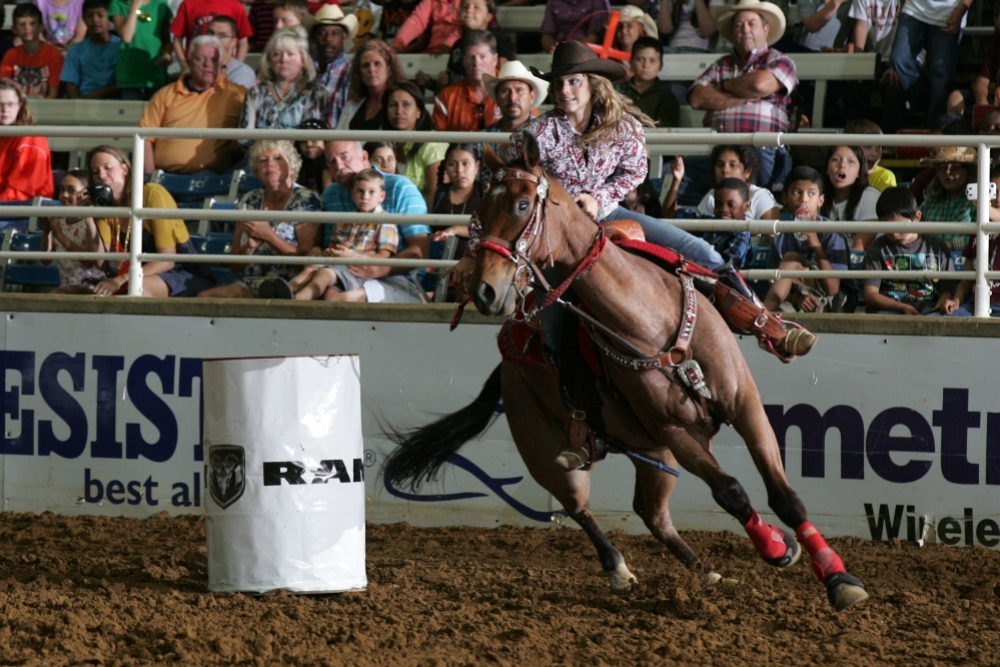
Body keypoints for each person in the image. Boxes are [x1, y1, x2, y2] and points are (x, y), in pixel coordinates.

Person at [454, 41, 815, 359]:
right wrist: (474, 250)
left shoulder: (623, 126)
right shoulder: (534, 135)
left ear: (593, 83)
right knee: (554, 320)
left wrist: (598, 197)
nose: (565, 90)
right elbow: (496, 198)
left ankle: (770, 326)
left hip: (611, 213)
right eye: (559, 82)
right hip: (559, 238)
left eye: (574, 80)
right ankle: (576, 407)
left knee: (705, 255)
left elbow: (634, 172)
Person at [688, 0, 797, 189]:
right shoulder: (722, 64)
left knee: (753, 156)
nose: (745, 29)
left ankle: (750, 209)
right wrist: (743, 96)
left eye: (751, 23)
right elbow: (697, 98)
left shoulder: (779, 60)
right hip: (720, 148)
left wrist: (722, 86)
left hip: (763, 146)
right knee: (676, 171)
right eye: (739, 25)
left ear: (766, 29)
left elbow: (759, 84)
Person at [83, 145, 216, 297]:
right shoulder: (105, 205)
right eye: (95, 172)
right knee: (71, 292)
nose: (101, 175)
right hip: (134, 276)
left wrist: (120, 280)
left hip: (184, 273)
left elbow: (167, 260)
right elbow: (102, 263)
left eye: (108, 168)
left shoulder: (152, 193)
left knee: (138, 288)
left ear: (125, 170)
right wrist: (88, 217)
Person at [273, 169, 422, 302]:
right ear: (352, 193)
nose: (365, 197)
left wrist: (353, 257)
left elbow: (384, 256)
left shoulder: (385, 221)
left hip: (355, 269)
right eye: (360, 191)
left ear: (382, 196)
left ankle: (295, 301)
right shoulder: (346, 219)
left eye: (371, 192)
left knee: (324, 273)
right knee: (311, 268)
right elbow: (335, 244)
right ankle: (284, 291)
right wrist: (329, 252)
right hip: (338, 263)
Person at [197, 140, 322, 298]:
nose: (269, 164)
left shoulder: (306, 199)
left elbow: (306, 260)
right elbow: (234, 265)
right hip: (250, 284)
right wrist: (249, 247)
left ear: (292, 166)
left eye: (278, 158)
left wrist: (269, 236)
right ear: (256, 170)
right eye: (263, 160)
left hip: (289, 286)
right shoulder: (250, 200)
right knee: (204, 298)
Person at [322, 140, 433, 290]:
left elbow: (421, 248)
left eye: (345, 157)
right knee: (322, 288)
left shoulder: (401, 187)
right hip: (343, 273)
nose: (339, 166)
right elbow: (330, 244)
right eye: (331, 161)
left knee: (342, 298)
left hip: (398, 278)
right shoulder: (331, 194)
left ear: (364, 156)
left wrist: (381, 269)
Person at [139, 35, 247, 175]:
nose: (207, 64)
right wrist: (150, 177)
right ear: (189, 61)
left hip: (210, 179)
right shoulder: (165, 94)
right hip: (163, 177)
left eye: (213, 59)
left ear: (220, 63)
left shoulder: (236, 94)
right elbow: (144, 138)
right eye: (200, 58)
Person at [763, 166, 849, 312]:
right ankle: (765, 316)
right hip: (794, 298)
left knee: (791, 258)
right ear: (785, 198)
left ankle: (762, 315)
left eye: (811, 193)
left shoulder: (832, 232)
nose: (803, 199)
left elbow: (832, 289)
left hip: (828, 301)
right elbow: (775, 283)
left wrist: (816, 243)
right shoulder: (781, 234)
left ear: (820, 200)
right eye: (797, 192)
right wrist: (796, 298)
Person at [863, 187, 961, 315]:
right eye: (887, 227)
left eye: (900, 227)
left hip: (929, 307)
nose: (895, 235)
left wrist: (937, 309)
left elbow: (946, 290)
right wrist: (902, 307)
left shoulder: (936, 246)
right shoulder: (878, 248)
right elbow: (870, 294)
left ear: (917, 217)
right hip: (888, 308)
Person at [239, 27, 331, 150]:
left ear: (303, 59)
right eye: (276, 54)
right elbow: (243, 138)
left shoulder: (317, 93)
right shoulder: (256, 93)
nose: (283, 59)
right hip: (260, 159)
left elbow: (315, 141)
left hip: (302, 162)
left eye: (290, 54)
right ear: (269, 60)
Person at [890, 0, 968, 127]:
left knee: (942, 79)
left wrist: (961, 10)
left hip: (949, 10)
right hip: (914, 7)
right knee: (899, 60)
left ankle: (933, 131)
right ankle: (926, 103)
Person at [665, 145, 780, 220]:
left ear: (747, 172)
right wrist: (677, 180)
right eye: (720, 165)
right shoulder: (711, 196)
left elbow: (773, 238)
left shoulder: (759, 196)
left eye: (733, 165)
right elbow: (669, 217)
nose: (725, 170)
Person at [385, 81, 447, 209]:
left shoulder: (431, 144)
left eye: (406, 105)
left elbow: (435, 196)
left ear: (419, 111)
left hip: (420, 219)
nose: (399, 111)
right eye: (393, 105)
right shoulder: (381, 142)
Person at [43, 171, 106, 293]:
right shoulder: (59, 223)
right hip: (66, 286)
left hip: (92, 285)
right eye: (62, 190)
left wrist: (59, 233)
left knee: (54, 295)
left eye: (71, 190)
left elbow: (88, 262)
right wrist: (47, 229)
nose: (64, 195)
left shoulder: (92, 222)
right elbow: (46, 260)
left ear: (85, 194)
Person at [433, 31, 501, 131]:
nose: (476, 63)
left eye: (483, 57)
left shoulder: (516, 93)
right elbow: (437, 144)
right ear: (464, 61)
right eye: (470, 57)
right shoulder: (446, 98)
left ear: (495, 59)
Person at [0, 79, 53, 202]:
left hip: (21, 212)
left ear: (20, 105)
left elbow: (21, 193)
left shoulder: (31, 138)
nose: (5, 110)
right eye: (0, 104)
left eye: (10, 104)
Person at [109, 0, 172, 101]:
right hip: (130, 75)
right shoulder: (118, 3)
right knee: (131, 115)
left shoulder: (160, 3)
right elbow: (126, 36)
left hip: (154, 73)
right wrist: (135, 5)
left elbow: (166, 39)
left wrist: (167, 54)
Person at [336, 39, 406, 130]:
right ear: (359, 72)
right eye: (366, 65)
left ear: (389, 69)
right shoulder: (351, 106)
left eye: (377, 64)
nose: (371, 70)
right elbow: (337, 139)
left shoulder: (399, 106)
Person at [0, 4, 64, 99]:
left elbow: (54, 93)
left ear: (41, 27)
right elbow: (3, 85)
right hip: (17, 108)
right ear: (14, 29)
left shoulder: (54, 55)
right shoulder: (11, 55)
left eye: (32, 23)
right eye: (22, 24)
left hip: (46, 108)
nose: (27, 28)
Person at [918, 146, 975, 252]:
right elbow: (914, 226)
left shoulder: (978, 202)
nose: (948, 171)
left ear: (969, 170)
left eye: (956, 166)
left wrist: (948, 245)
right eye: (943, 166)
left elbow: (981, 238)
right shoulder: (931, 201)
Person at [614, 36, 679, 128]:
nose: (646, 65)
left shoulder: (666, 97)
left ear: (661, 65)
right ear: (631, 62)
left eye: (652, 61)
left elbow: (666, 130)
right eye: (640, 59)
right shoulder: (617, 91)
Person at [61, 0, 120, 100]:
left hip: (115, 101)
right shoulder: (76, 50)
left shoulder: (120, 47)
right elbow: (71, 84)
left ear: (109, 18)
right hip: (84, 101)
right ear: (83, 19)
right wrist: (77, 103)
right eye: (90, 16)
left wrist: (100, 94)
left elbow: (123, 83)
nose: (95, 20)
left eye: (100, 15)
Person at [170, 0, 252, 72]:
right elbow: (177, 38)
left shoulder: (236, 6)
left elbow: (243, 41)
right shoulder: (188, 4)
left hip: (225, 67)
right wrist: (184, 67)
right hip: (196, 68)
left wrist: (236, 68)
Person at [312, 4, 357, 128]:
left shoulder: (354, 73)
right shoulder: (305, 73)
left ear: (344, 37)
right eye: (322, 33)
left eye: (335, 33)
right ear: (314, 38)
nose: (328, 39)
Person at [482, 60, 548, 135]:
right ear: (497, 97)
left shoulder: (546, 135)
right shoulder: (482, 138)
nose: (512, 98)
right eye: (505, 91)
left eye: (519, 90)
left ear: (531, 97)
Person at [432, 143, 483, 238]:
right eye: (452, 164)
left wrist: (455, 230)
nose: (459, 170)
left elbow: (489, 230)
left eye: (466, 163)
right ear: (446, 168)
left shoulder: (484, 192)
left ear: (477, 167)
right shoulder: (440, 193)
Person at [820, 146, 880, 224]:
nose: (842, 165)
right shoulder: (818, 197)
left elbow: (862, 237)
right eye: (836, 160)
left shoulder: (870, 197)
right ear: (827, 169)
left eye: (851, 161)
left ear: (859, 171)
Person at [844, 119, 896, 193]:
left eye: (879, 147)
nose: (874, 153)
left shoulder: (884, 177)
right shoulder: (841, 172)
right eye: (867, 146)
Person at [391, 0, 461, 54]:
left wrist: (447, 46)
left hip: (459, 52)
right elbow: (416, 20)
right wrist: (397, 45)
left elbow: (465, 26)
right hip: (433, 53)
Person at [206, 16, 256, 90]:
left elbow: (227, 99)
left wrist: (223, 67)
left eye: (222, 35)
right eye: (210, 34)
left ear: (233, 42)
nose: (214, 39)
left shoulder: (243, 73)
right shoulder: (198, 66)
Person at [539, 0, 607, 53]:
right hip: (559, 49)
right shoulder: (553, 1)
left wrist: (573, 50)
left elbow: (595, 36)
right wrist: (552, 48)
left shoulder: (597, 1)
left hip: (587, 51)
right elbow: (547, 32)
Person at [295, 118, 332, 194]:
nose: (309, 144)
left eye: (314, 140)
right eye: (303, 141)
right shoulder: (296, 165)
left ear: (325, 141)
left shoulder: (334, 164)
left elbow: (328, 197)